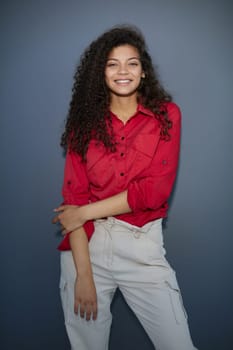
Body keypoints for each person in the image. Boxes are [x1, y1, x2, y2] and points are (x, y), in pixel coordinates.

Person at [52, 25, 198, 350]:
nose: (123, 71)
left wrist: (83, 212)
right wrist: (84, 275)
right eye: (112, 63)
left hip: (141, 245)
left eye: (131, 63)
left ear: (143, 72)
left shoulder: (166, 117)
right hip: (86, 248)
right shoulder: (83, 126)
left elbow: (154, 192)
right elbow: (72, 198)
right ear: (100, 73)